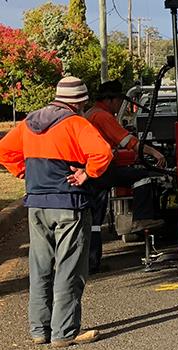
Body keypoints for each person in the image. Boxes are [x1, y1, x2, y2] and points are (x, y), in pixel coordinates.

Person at [0, 77, 109, 347]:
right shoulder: (76, 123)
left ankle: (39, 331)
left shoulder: (29, 123)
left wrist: (23, 172)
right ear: (80, 102)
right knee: (70, 268)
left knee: (40, 267)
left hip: (36, 204)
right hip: (69, 204)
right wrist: (87, 173)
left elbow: (4, 151)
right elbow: (103, 153)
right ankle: (64, 332)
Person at [83, 81, 168, 273]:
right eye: (118, 101)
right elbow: (128, 141)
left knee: (95, 220)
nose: (119, 106)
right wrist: (154, 153)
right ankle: (142, 218)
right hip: (102, 168)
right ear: (110, 100)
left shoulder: (90, 114)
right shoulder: (103, 116)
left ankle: (92, 262)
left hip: (91, 170)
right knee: (141, 176)